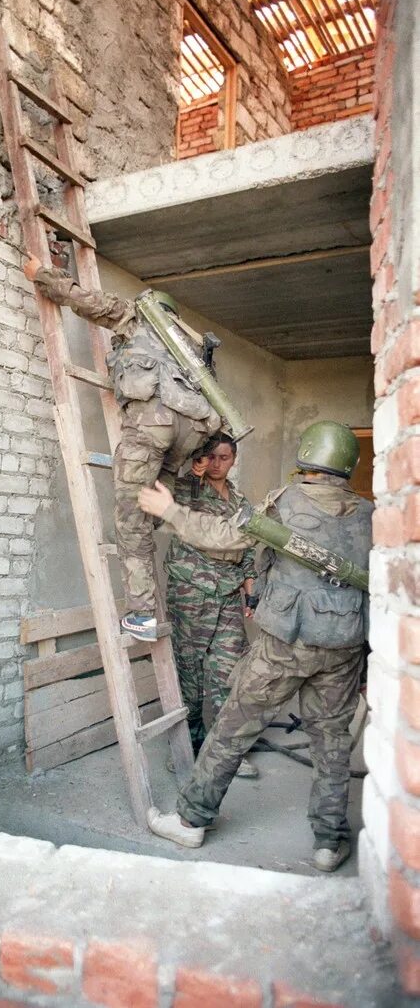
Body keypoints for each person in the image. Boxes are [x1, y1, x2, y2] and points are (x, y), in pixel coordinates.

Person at [139, 421, 372, 872]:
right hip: (344, 646)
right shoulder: (370, 514)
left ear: (305, 456)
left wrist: (171, 511)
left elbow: (226, 540)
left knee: (234, 726)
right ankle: (328, 843)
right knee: (332, 744)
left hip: (284, 642)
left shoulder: (284, 501)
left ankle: (190, 821)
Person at [23, 253, 222, 642]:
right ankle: (147, 550)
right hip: (191, 433)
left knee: (130, 521)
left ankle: (141, 614)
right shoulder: (192, 348)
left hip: (151, 428)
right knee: (150, 512)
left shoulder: (137, 316)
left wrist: (41, 274)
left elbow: (85, 300)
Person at [165, 432, 258, 778]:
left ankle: (223, 753)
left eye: (225, 458)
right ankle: (186, 748)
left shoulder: (239, 500)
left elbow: (248, 550)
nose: (218, 464)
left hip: (228, 595)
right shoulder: (188, 488)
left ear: (233, 460)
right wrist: (194, 470)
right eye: (212, 457)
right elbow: (169, 506)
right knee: (188, 672)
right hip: (192, 592)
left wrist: (251, 590)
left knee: (229, 675)